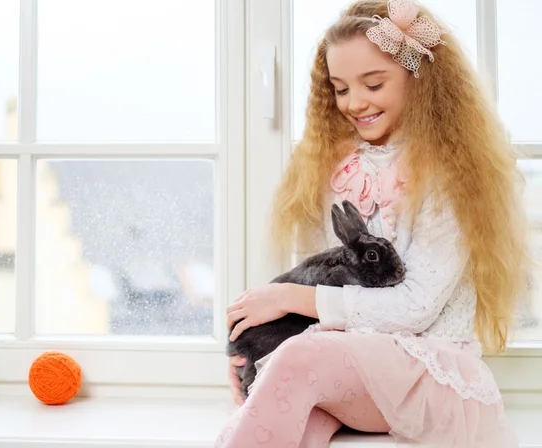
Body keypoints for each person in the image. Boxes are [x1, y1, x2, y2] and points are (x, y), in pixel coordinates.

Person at [215, 0, 532, 447]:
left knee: (298, 359)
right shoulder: (339, 167)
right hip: (354, 372)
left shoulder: (450, 173)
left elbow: (416, 308)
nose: (355, 103)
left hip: (428, 375)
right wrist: (259, 354)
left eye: (373, 83)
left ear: (419, 79)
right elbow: (330, 276)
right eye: (341, 89)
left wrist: (288, 297)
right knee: (287, 399)